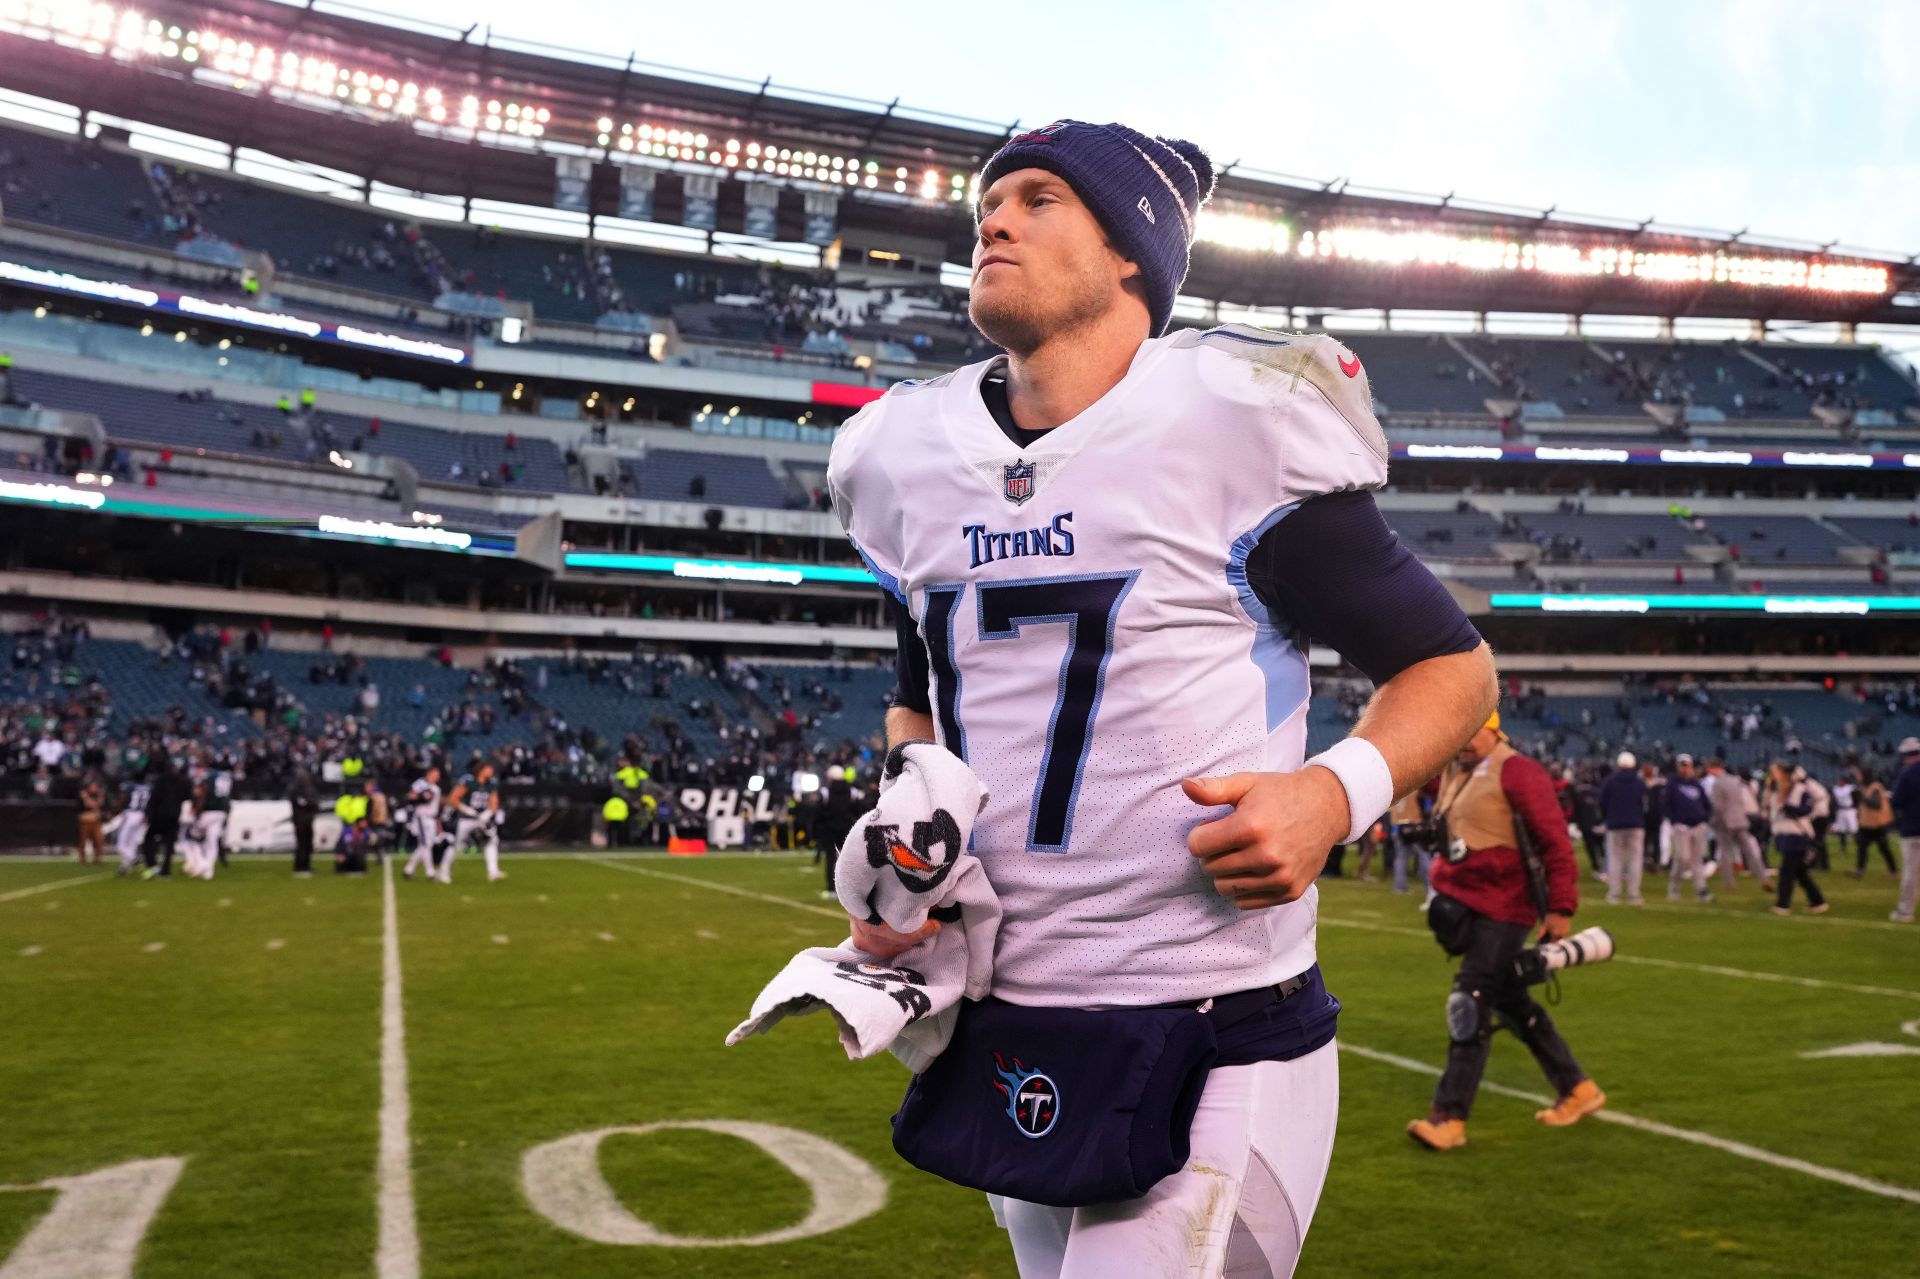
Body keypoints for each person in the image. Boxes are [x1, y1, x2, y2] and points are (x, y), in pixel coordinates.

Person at [827, 120, 1496, 1277]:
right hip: (1005, 1017)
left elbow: (1452, 666)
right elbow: (918, 700)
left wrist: (1330, 796)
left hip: (1212, 1025)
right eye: (990, 201)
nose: (994, 218)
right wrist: (911, 851)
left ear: (1133, 249)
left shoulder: (1233, 419)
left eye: (1039, 198)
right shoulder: (903, 459)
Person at [1408, 711, 1599, 1151]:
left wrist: (1562, 908)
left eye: (1475, 731)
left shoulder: (1518, 771)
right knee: (1509, 998)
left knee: (1469, 1000)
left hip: (1507, 907)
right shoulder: (1457, 768)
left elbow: (1555, 841)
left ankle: (1449, 1117)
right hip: (1467, 904)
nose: (1466, 741)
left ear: (1495, 729)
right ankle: (1577, 1087)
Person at [1765, 761, 1828, 916]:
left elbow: (1806, 809)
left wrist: (1787, 807)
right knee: (1800, 872)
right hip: (1784, 834)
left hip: (1796, 835)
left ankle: (1783, 904)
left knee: (1786, 872)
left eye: (1775, 773)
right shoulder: (1775, 791)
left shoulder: (1799, 789)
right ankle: (1818, 901)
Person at [1705, 757, 1771, 890]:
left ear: (1713, 768)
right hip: (1740, 820)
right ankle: (1763, 877)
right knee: (1750, 851)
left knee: (1726, 853)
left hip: (1725, 823)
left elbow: (1718, 806)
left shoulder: (1718, 783)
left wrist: (1713, 822)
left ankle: (1728, 882)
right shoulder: (1736, 781)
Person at [1597, 751, 1647, 905]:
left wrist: (1608, 817)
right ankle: (1634, 894)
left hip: (1615, 824)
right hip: (1635, 825)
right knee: (1635, 860)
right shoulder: (1639, 782)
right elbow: (1645, 804)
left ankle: (1614, 894)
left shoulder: (1610, 781)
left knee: (1615, 860)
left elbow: (1602, 802)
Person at [1663, 754, 1714, 902]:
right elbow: (1667, 805)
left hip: (1698, 826)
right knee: (1683, 859)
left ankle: (1701, 890)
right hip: (1682, 826)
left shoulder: (1696, 784)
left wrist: (1704, 818)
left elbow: (1706, 804)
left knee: (1697, 860)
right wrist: (1675, 822)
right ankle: (1674, 888)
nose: (1685, 769)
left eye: (1687, 766)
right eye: (1682, 765)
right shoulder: (1673, 784)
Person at [447, 762, 506, 882]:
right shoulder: (469, 782)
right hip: (466, 819)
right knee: (457, 845)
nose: (491, 771)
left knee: (492, 842)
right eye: (488, 769)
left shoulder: (492, 783)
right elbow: (453, 798)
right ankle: (445, 870)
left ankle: (493, 872)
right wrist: (466, 809)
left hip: (483, 819)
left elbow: (494, 803)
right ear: (481, 770)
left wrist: (488, 813)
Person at [140, 756, 191, 880]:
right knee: (169, 844)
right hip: (174, 815)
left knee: (148, 839)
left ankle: (152, 865)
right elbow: (187, 797)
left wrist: (147, 813)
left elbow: (154, 798)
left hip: (159, 815)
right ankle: (166, 871)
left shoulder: (161, 779)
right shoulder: (184, 781)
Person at [1890, 737, 1920, 924]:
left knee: (1910, 873)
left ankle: (1905, 911)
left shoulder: (1907, 774)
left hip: (1912, 829)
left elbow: (1897, 801)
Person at [402, 765, 444, 881]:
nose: (437, 777)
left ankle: (408, 869)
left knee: (425, 845)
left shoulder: (435, 787)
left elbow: (434, 805)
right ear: (429, 773)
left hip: (432, 818)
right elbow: (411, 796)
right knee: (426, 845)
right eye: (435, 774)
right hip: (422, 817)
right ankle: (430, 872)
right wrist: (422, 796)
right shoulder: (420, 784)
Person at [1853, 768, 1897, 878]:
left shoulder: (1875, 787)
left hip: (1877, 824)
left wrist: (1862, 797)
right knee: (1862, 846)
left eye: (1860, 774)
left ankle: (1893, 870)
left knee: (1884, 848)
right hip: (1867, 823)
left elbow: (1876, 804)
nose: (1858, 777)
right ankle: (1860, 869)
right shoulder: (1865, 787)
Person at [289, 767, 318, 877]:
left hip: (308, 820)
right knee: (301, 844)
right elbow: (304, 804)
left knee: (308, 845)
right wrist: (309, 804)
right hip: (300, 821)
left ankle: (306, 865)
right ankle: (300, 866)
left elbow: (313, 803)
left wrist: (310, 804)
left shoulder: (309, 789)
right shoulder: (296, 790)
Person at [76, 774, 106, 865]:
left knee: (98, 840)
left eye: (96, 786)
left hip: (96, 822)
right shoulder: (83, 796)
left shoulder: (99, 795)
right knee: (83, 841)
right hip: (85, 822)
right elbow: (89, 805)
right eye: (93, 786)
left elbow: (98, 805)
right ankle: (82, 858)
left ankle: (97, 858)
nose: (95, 788)